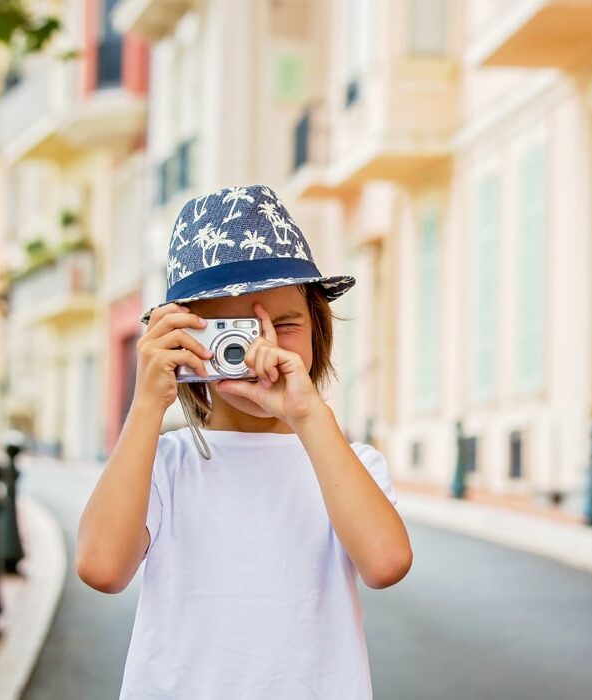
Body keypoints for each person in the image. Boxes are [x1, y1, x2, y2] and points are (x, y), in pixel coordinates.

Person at [76, 185, 413, 699]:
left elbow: (386, 564)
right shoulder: (163, 465)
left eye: (285, 324)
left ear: (319, 331)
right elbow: (101, 569)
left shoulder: (349, 463)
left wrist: (307, 413)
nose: (260, 348)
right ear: (184, 340)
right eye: (228, 330)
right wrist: (146, 406)